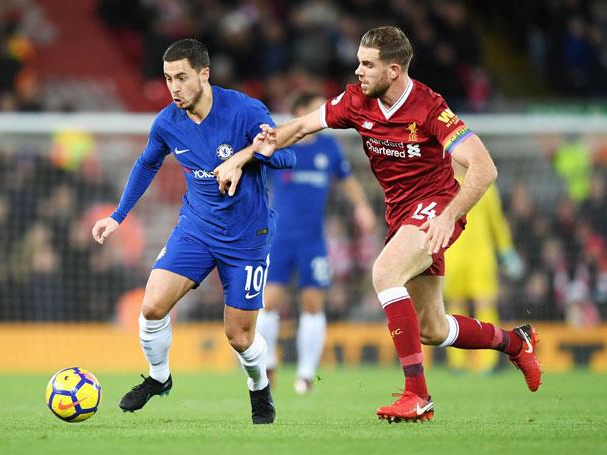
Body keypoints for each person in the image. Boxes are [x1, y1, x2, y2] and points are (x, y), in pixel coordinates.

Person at [215, 26, 542, 423]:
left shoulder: (429, 106)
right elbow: (300, 127)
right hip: (400, 215)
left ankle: (417, 395)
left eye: (367, 64)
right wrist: (250, 153)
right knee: (432, 329)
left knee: (385, 272)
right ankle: (516, 342)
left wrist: (448, 214)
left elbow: (484, 167)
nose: (358, 71)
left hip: (435, 207)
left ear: (393, 70)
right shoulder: (356, 102)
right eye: (358, 62)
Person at [91, 38, 295, 424]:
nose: (174, 88)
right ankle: (159, 378)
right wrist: (118, 215)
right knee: (151, 306)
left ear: (204, 74)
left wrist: (250, 154)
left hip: (247, 237)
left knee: (239, 337)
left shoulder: (245, 110)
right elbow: (147, 164)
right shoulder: (168, 121)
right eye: (168, 79)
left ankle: (258, 388)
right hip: (197, 230)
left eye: (181, 77)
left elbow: (286, 154)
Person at [256, 91, 376, 393]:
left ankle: (306, 375)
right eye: (314, 109)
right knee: (268, 303)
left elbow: (347, 181)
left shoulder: (329, 148)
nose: (322, 115)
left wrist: (362, 206)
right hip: (279, 238)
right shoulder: (281, 145)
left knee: (313, 304)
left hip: (313, 240)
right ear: (299, 111)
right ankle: (268, 364)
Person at [444, 167, 524, 374]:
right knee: (455, 305)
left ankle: (487, 361)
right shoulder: (443, 181)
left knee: (485, 303)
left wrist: (506, 251)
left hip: (481, 255)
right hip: (452, 253)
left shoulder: (484, 183)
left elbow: (496, 222)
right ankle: (458, 362)